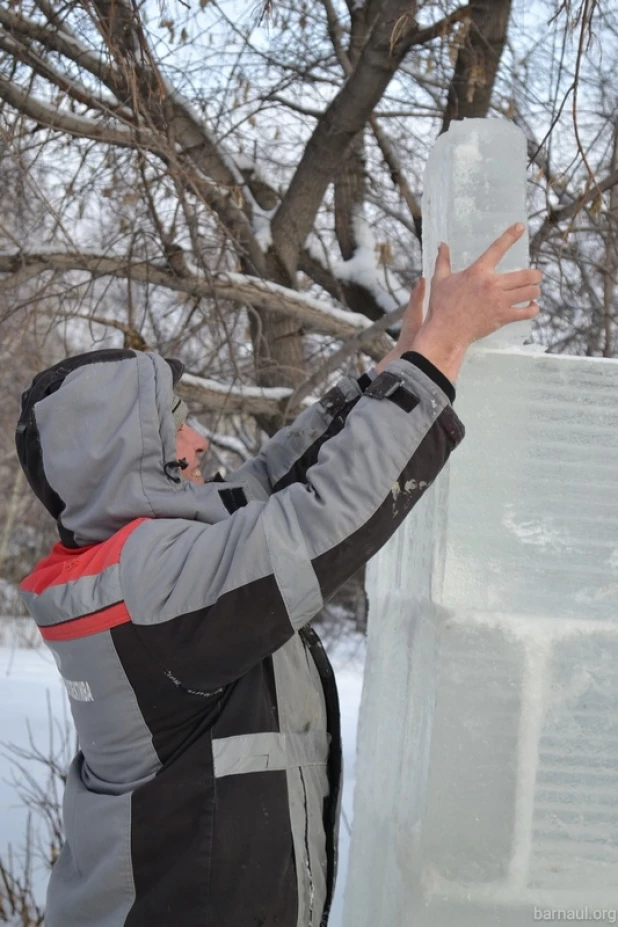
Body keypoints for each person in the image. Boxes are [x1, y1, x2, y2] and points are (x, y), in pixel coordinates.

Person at [16, 225, 541, 927]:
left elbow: (262, 489)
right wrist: (441, 351)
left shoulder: (126, 567)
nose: (198, 440)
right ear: (116, 456)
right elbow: (319, 520)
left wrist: (389, 375)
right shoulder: (150, 592)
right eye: (175, 426)